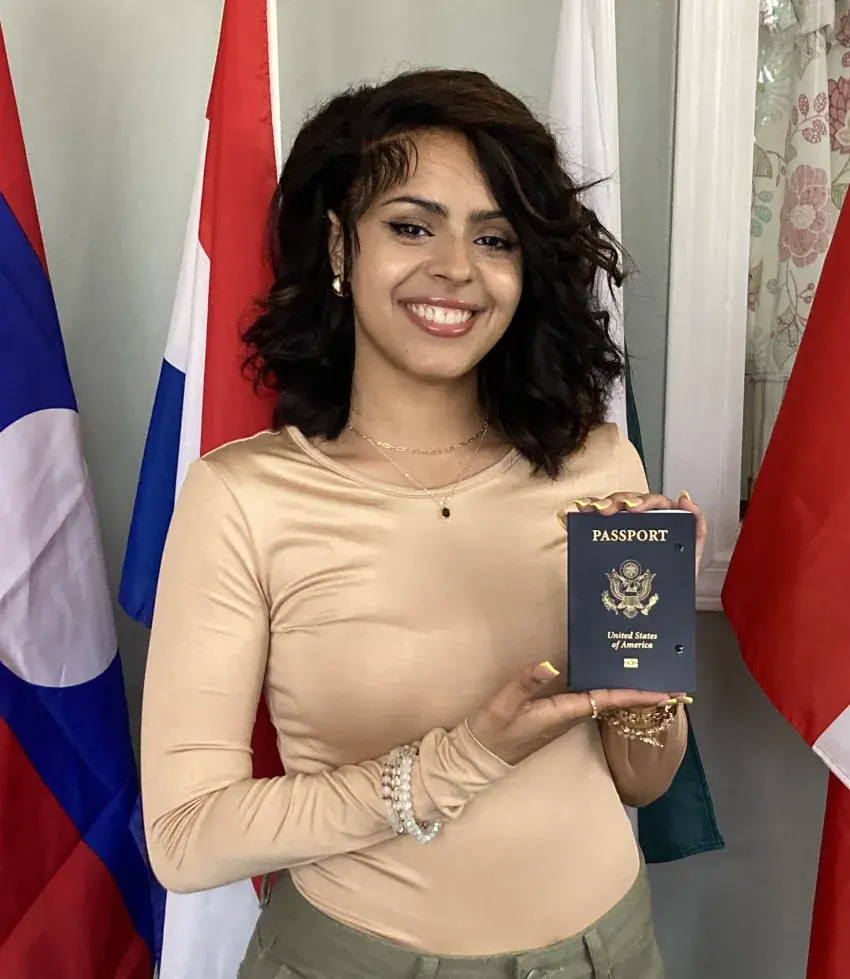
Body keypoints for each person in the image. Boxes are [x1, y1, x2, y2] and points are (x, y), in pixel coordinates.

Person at [141, 68, 706, 979]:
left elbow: (642, 779)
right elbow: (184, 836)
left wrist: (651, 666)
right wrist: (465, 757)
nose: (455, 269)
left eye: (494, 237)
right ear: (341, 244)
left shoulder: (601, 466)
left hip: (609, 951)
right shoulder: (242, 497)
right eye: (412, 226)